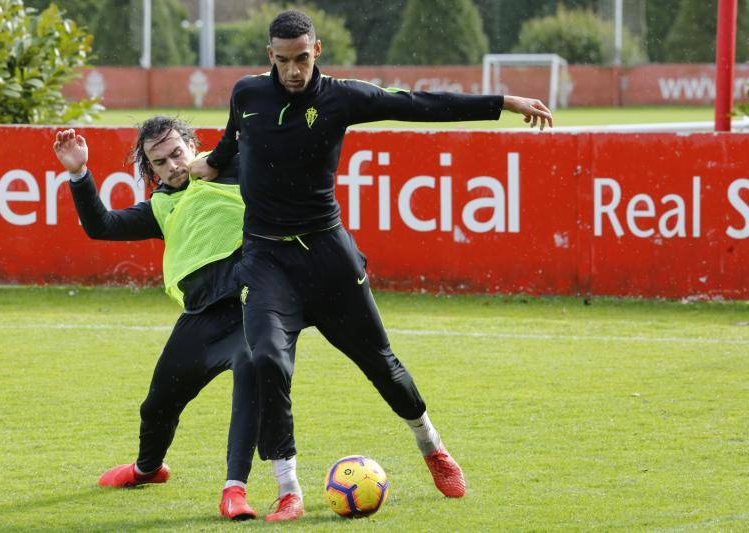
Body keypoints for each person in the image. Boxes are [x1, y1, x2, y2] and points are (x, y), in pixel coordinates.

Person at [189, 10, 554, 522]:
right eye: (283, 60)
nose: (293, 71)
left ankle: (432, 446)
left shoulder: (341, 96)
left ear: (316, 52)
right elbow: (231, 144)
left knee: (382, 364)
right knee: (268, 361)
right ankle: (288, 488)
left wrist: (504, 102)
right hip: (266, 258)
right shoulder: (247, 94)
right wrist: (201, 165)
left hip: (328, 258)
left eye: (302, 59)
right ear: (269, 56)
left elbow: (417, 105)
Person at [52, 117, 259, 521]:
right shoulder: (160, 207)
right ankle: (148, 469)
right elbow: (101, 226)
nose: (172, 166)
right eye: (160, 162)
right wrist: (78, 172)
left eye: (177, 153)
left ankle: (235, 489)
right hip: (199, 317)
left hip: (251, 308)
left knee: (249, 379)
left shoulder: (234, 173)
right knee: (157, 406)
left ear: (194, 146)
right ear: (150, 169)